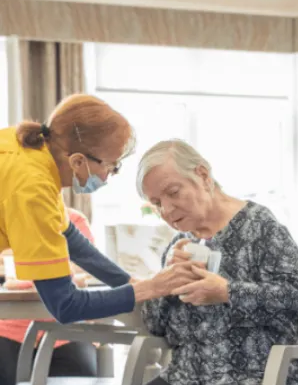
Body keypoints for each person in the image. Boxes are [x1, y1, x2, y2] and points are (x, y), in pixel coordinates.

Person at [105, 140, 298, 385]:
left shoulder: (260, 226)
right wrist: (166, 281)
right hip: (190, 374)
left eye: (172, 192)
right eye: (157, 203)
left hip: (257, 375)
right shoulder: (179, 244)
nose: (167, 210)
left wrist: (228, 291)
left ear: (202, 175)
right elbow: (157, 325)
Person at [0, 94, 201, 324]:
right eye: (111, 166)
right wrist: (149, 289)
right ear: (77, 162)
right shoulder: (33, 189)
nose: (109, 176)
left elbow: (70, 238)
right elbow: (65, 305)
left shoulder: (31, 155)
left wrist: (130, 283)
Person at [0, 208, 97, 385]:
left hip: (67, 330)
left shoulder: (73, 221)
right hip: (8, 328)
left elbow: (85, 272)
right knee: (6, 373)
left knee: (81, 369)